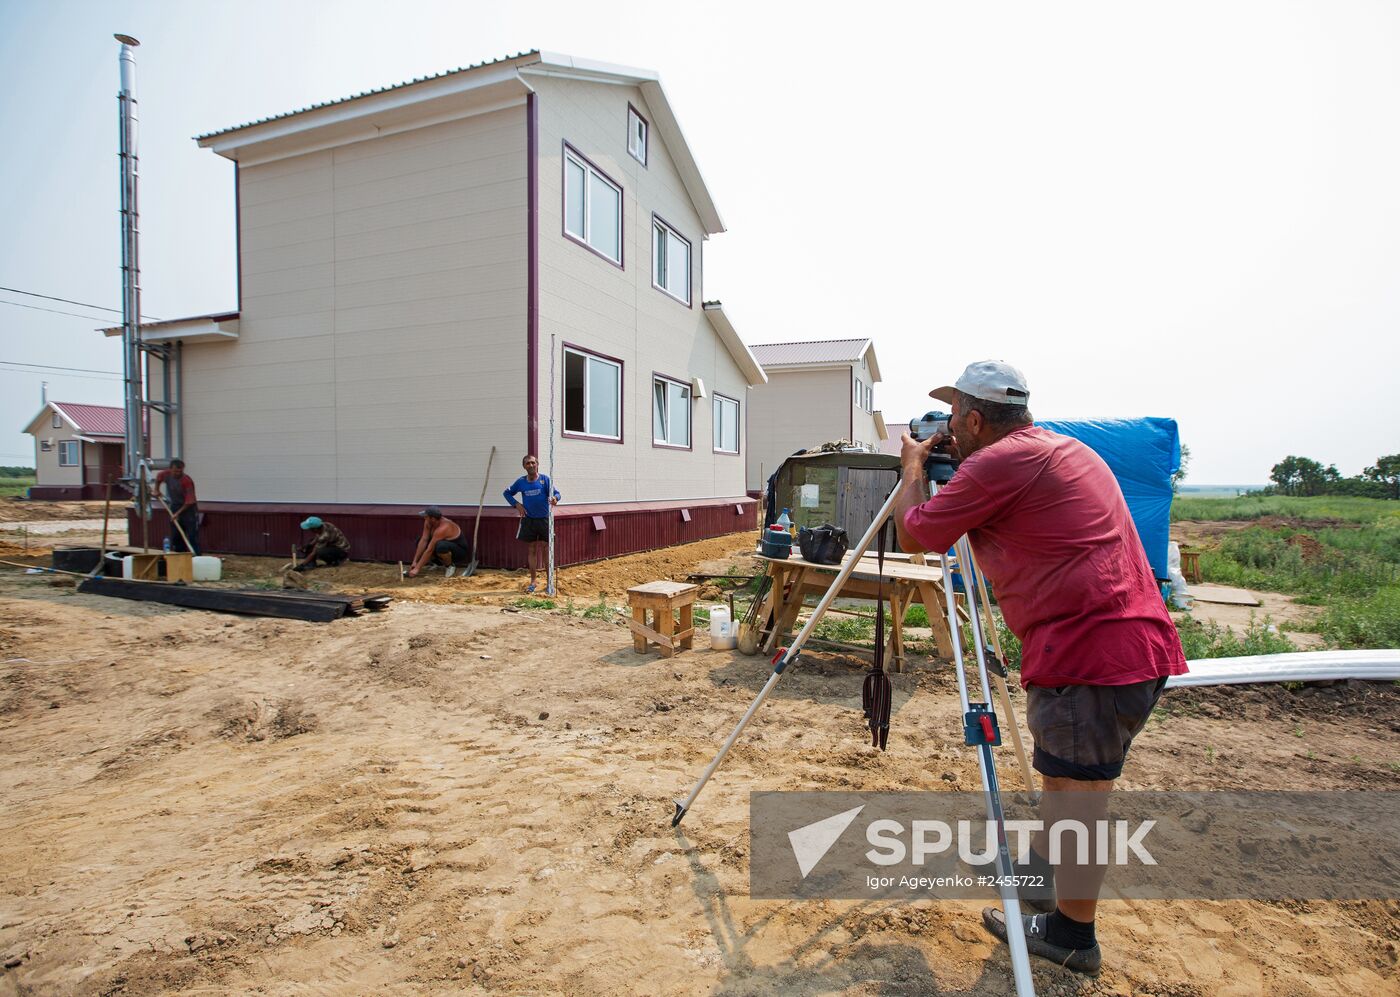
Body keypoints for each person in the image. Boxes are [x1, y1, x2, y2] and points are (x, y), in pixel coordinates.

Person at [892, 360, 1188, 976]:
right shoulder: (1060, 449)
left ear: (975, 419)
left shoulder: (999, 464)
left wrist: (913, 468)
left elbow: (918, 535)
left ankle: (1073, 935)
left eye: (952, 418)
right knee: (1072, 789)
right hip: (1126, 647)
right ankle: (1038, 876)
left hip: (1089, 657)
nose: (947, 428)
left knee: (1078, 801)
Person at [503, 455, 560, 593]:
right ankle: (533, 581)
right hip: (529, 520)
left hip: (544, 519)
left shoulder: (544, 480)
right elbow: (507, 493)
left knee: (547, 550)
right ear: (524, 466)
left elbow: (557, 494)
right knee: (532, 550)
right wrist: (516, 504)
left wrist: (554, 499)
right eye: (528, 463)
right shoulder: (521, 482)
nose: (531, 465)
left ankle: (549, 583)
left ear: (537, 464)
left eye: (533, 462)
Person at [407, 506, 470, 578]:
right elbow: (424, 540)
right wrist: (415, 562)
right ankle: (437, 564)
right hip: (442, 547)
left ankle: (450, 566)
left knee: (441, 546)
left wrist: (417, 569)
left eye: (426, 517)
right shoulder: (428, 522)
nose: (424, 518)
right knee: (419, 541)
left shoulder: (444, 527)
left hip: (459, 551)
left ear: (432, 519)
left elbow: (430, 550)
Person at [152, 459, 199, 554]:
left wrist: (177, 514)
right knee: (176, 536)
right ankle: (179, 555)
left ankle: (195, 556)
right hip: (174, 506)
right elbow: (159, 478)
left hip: (188, 509)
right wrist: (157, 490)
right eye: (175, 471)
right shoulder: (166, 474)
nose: (178, 473)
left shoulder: (186, 481)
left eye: (180, 471)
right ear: (170, 469)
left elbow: (190, 501)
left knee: (191, 536)